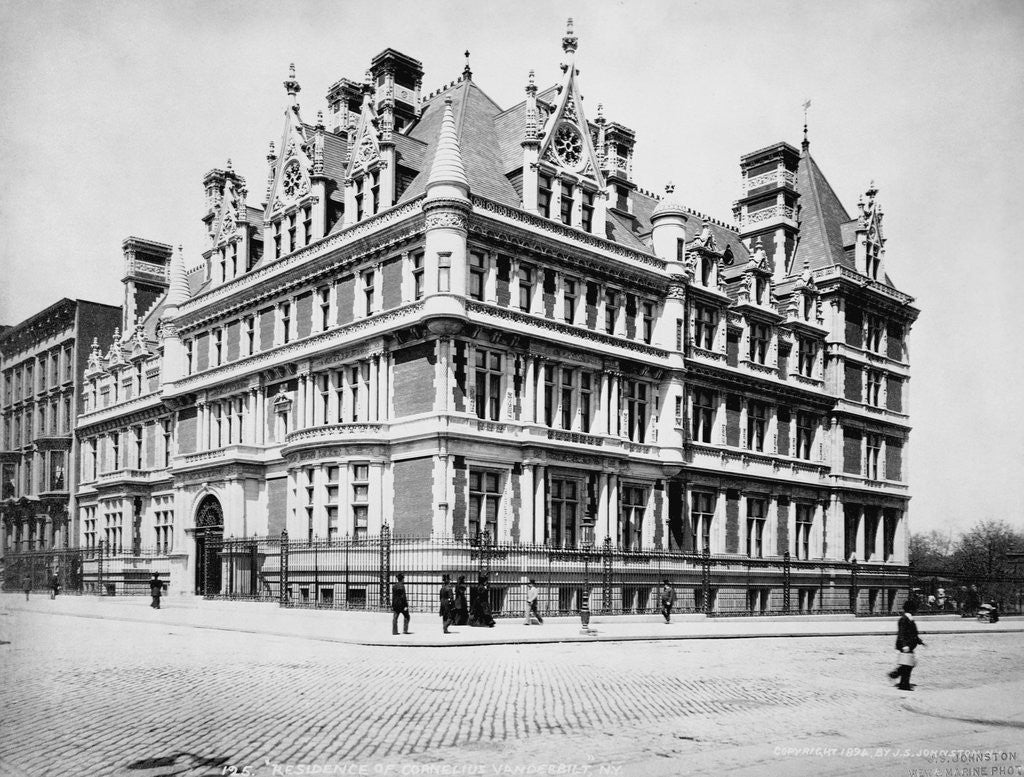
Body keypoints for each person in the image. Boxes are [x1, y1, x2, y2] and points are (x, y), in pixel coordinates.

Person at [887, 599, 925, 691]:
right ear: (911, 609)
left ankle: (896, 676)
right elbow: (901, 633)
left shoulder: (909, 618)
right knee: (908, 665)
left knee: (908, 665)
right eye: (915, 609)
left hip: (909, 645)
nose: (916, 611)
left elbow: (913, 633)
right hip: (906, 646)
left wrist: (919, 641)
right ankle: (904, 685)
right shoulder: (904, 619)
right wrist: (904, 645)